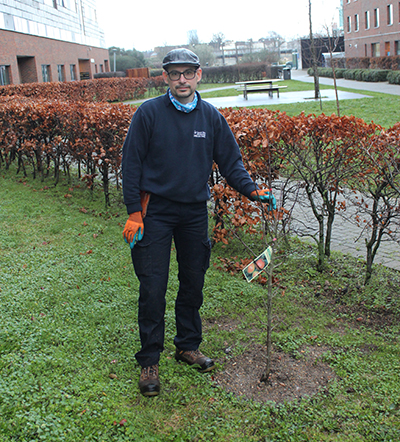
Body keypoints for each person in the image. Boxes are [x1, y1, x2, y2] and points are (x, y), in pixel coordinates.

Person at [121, 48, 276, 397]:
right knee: (153, 287)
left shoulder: (210, 117)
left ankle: (187, 345)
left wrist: (252, 191)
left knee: (193, 281)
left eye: (187, 73)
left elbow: (231, 162)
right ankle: (150, 360)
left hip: (193, 212)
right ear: (165, 77)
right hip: (155, 212)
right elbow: (130, 165)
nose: (181, 80)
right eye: (174, 74)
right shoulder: (148, 114)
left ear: (199, 74)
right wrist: (134, 211)